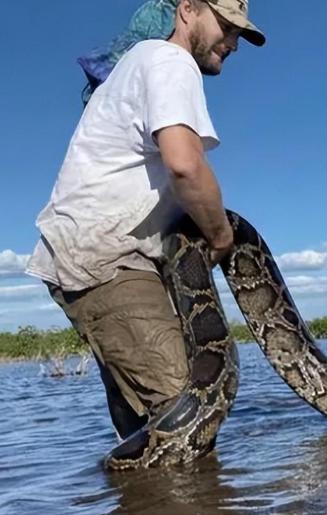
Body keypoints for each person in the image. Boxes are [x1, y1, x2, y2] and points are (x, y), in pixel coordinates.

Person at [25, 0, 265, 439]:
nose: (232, 43)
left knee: (144, 424)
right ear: (188, 9)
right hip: (109, 259)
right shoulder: (170, 60)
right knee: (187, 409)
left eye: (239, 35)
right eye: (227, 27)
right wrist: (220, 237)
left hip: (96, 252)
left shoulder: (139, 65)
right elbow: (185, 165)